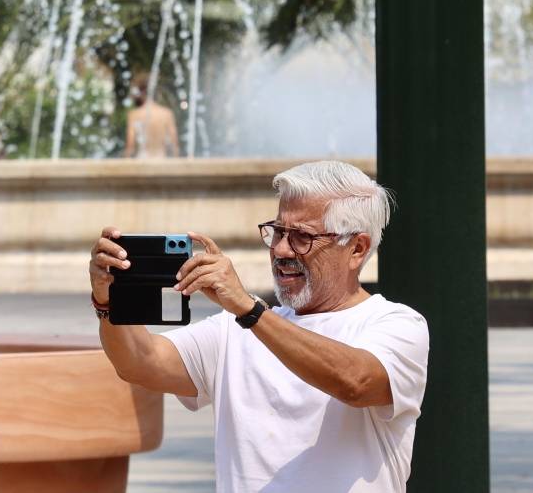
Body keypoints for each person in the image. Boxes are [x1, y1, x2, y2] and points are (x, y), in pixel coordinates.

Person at [88, 160, 430, 492]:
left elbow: (355, 382)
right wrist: (109, 301)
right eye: (278, 231)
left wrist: (249, 310)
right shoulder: (235, 328)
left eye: (301, 237)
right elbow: (141, 362)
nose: (281, 249)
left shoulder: (396, 324)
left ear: (356, 248)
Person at [124, 73, 180, 158]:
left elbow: (130, 146)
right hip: (162, 162)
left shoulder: (134, 115)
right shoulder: (167, 113)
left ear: (141, 92)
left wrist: (126, 162)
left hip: (142, 163)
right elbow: (174, 145)